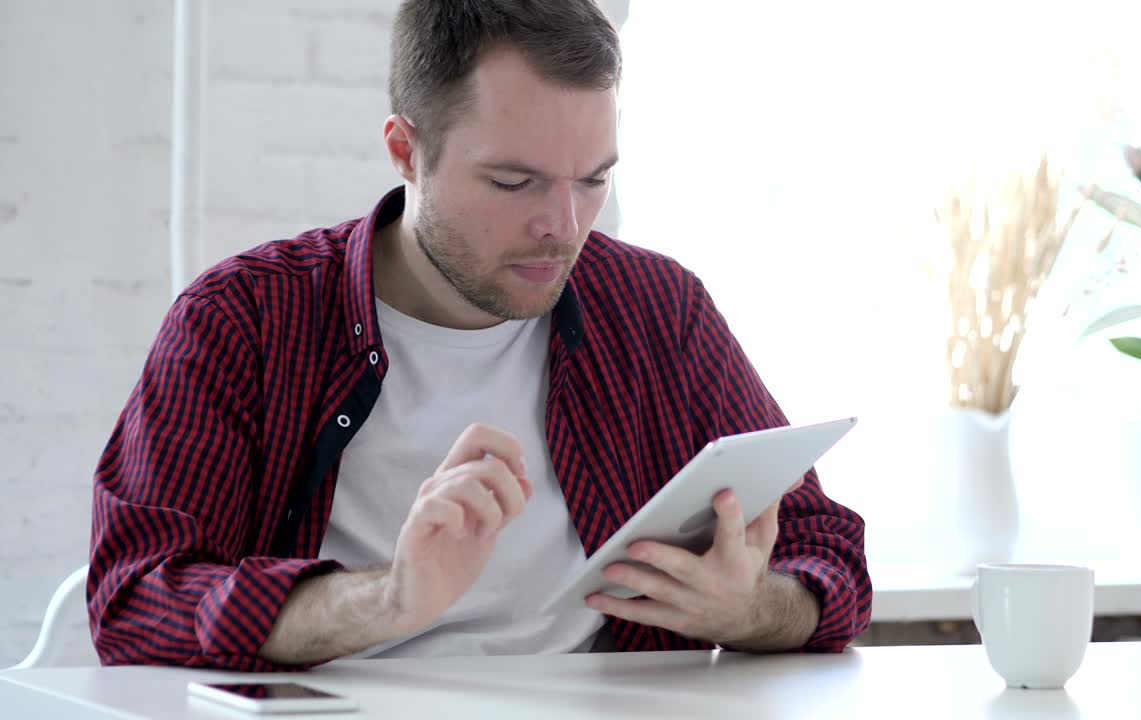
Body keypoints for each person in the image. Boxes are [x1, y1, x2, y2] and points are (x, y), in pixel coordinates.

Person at [87, 0, 871, 670]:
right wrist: (387, 600)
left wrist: (749, 612)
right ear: (406, 151)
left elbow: (829, 557)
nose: (563, 228)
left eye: (594, 178)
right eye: (513, 181)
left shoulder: (658, 310)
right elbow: (135, 600)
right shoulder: (245, 320)